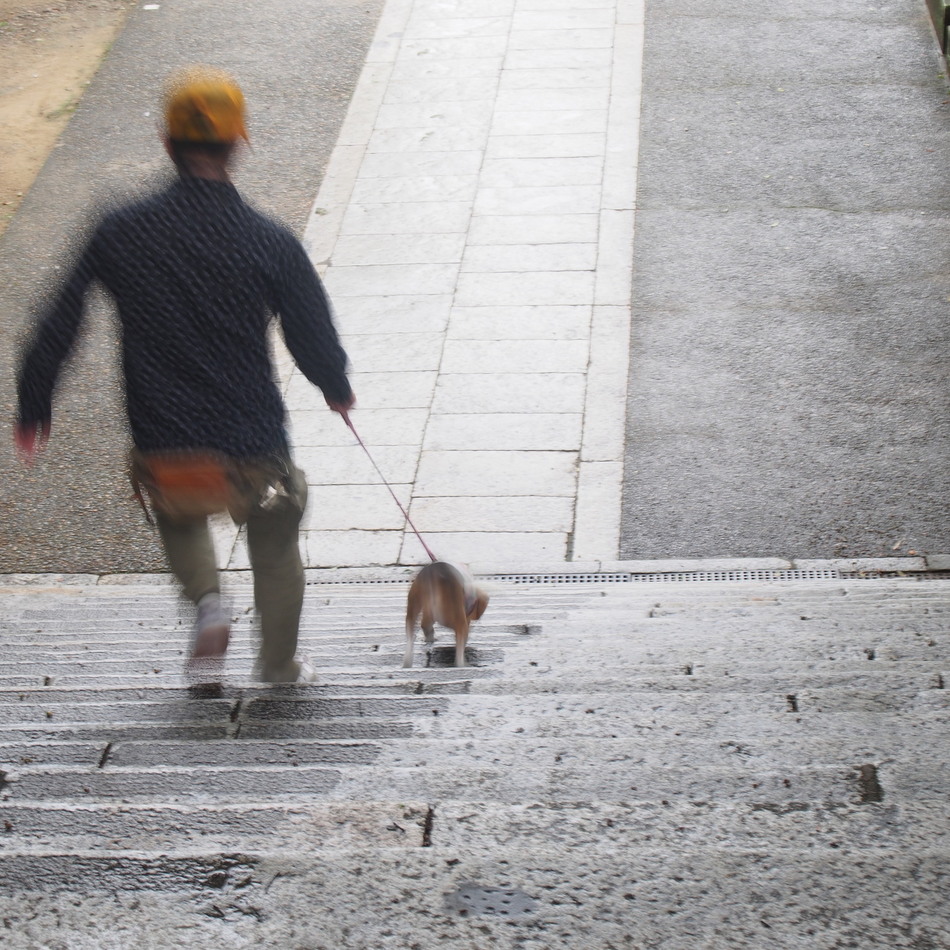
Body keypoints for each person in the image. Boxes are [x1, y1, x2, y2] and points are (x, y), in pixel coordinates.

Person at [14, 66, 355, 683]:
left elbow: (62, 316)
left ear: (168, 146)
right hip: (253, 437)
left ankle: (207, 604)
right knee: (276, 541)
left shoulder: (121, 230)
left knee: (179, 514)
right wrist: (335, 385)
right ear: (238, 146)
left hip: (166, 433)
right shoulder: (267, 240)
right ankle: (278, 666)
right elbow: (310, 327)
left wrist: (35, 402)